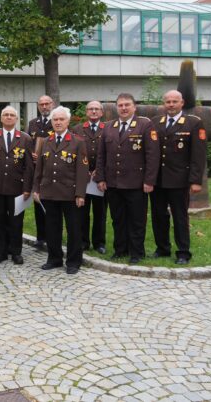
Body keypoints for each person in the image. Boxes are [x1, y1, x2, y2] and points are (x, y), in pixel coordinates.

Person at [95, 93, 160, 264]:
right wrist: (100, 178)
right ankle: (120, 249)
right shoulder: (109, 126)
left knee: (137, 220)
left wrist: (149, 181)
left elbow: (152, 156)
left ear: (134, 107)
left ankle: (137, 252)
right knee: (118, 219)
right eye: (120, 105)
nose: (123, 108)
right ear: (117, 107)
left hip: (136, 183)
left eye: (127, 105)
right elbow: (101, 155)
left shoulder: (145, 125)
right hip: (113, 182)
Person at [151, 90, 207, 265]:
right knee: (158, 215)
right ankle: (162, 248)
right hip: (158, 180)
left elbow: (198, 155)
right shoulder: (155, 122)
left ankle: (183, 252)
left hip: (179, 180)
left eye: (175, 101)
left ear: (182, 103)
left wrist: (195, 181)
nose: (171, 104)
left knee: (180, 217)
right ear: (164, 104)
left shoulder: (193, 123)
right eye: (168, 101)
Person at [33, 106, 89, 274]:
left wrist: (80, 193)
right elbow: (39, 168)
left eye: (61, 119)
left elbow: (82, 170)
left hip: (69, 194)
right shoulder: (46, 141)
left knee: (73, 229)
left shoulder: (78, 142)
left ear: (67, 121)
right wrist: (36, 188)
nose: (58, 122)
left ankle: (73, 261)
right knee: (52, 228)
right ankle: (54, 258)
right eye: (55, 119)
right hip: (49, 192)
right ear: (51, 122)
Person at [0, 106, 34, 265]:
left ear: (17, 119)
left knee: (16, 221)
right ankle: (1, 252)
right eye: (6, 115)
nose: (9, 117)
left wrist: (27, 188)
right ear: (1, 118)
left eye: (12, 115)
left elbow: (28, 166)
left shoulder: (25, 138)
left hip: (17, 189)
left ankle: (16, 252)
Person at [72, 100, 107, 254]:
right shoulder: (77, 129)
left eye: (96, 109)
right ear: (86, 112)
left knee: (100, 212)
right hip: (83, 178)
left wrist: (99, 172)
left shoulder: (108, 129)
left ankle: (99, 243)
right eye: (91, 109)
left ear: (102, 112)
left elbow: (110, 153)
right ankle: (83, 241)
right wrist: (83, 170)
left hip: (100, 179)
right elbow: (72, 152)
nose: (93, 112)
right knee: (82, 212)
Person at [27, 95, 54, 250]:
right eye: (41, 104)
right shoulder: (33, 124)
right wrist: (32, 153)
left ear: (52, 104)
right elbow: (29, 143)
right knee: (38, 203)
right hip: (38, 170)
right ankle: (40, 237)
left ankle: (51, 236)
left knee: (51, 205)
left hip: (52, 169)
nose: (44, 107)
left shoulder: (57, 120)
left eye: (47, 104)